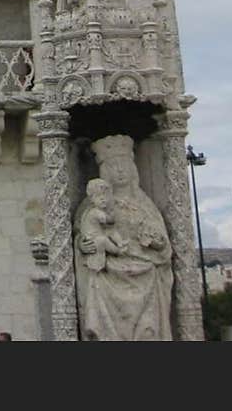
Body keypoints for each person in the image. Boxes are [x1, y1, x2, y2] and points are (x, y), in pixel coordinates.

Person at [73, 134, 173, 341]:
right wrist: (83, 245)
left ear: (132, 167)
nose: (119, 170)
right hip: (108, 273)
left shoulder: (145, 204)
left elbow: (162, 242)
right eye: (113, 165)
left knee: (149, 330)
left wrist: (156, 242)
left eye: (123, 164)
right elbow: (82, 232)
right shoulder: (91, 206)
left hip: (145, 270)